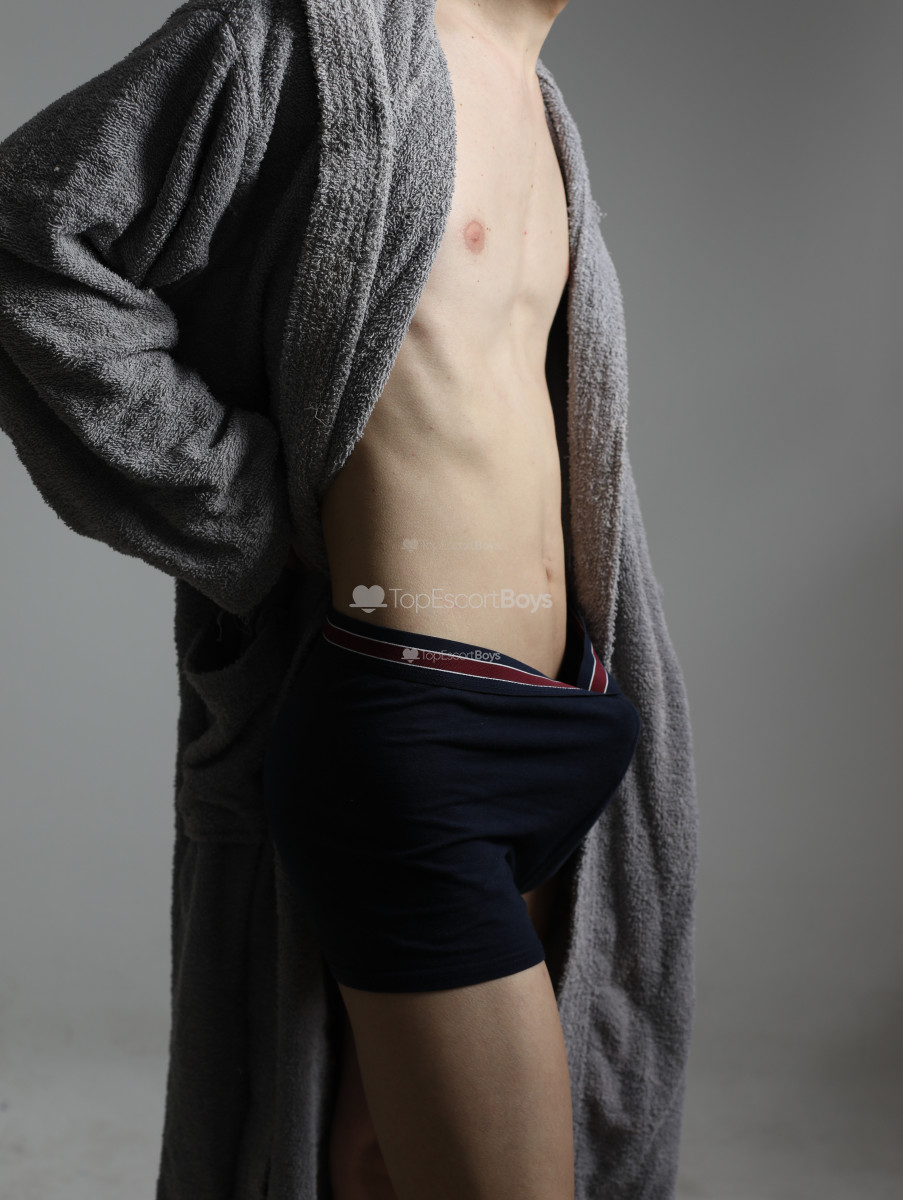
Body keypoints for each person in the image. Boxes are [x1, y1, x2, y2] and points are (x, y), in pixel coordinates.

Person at [0, 1, 698, 1197]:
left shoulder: (540, 101)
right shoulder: (302, 40)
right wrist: (242, 509)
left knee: (371, 1162)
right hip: (415, 738)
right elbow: (27, 233)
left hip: (563, 717)